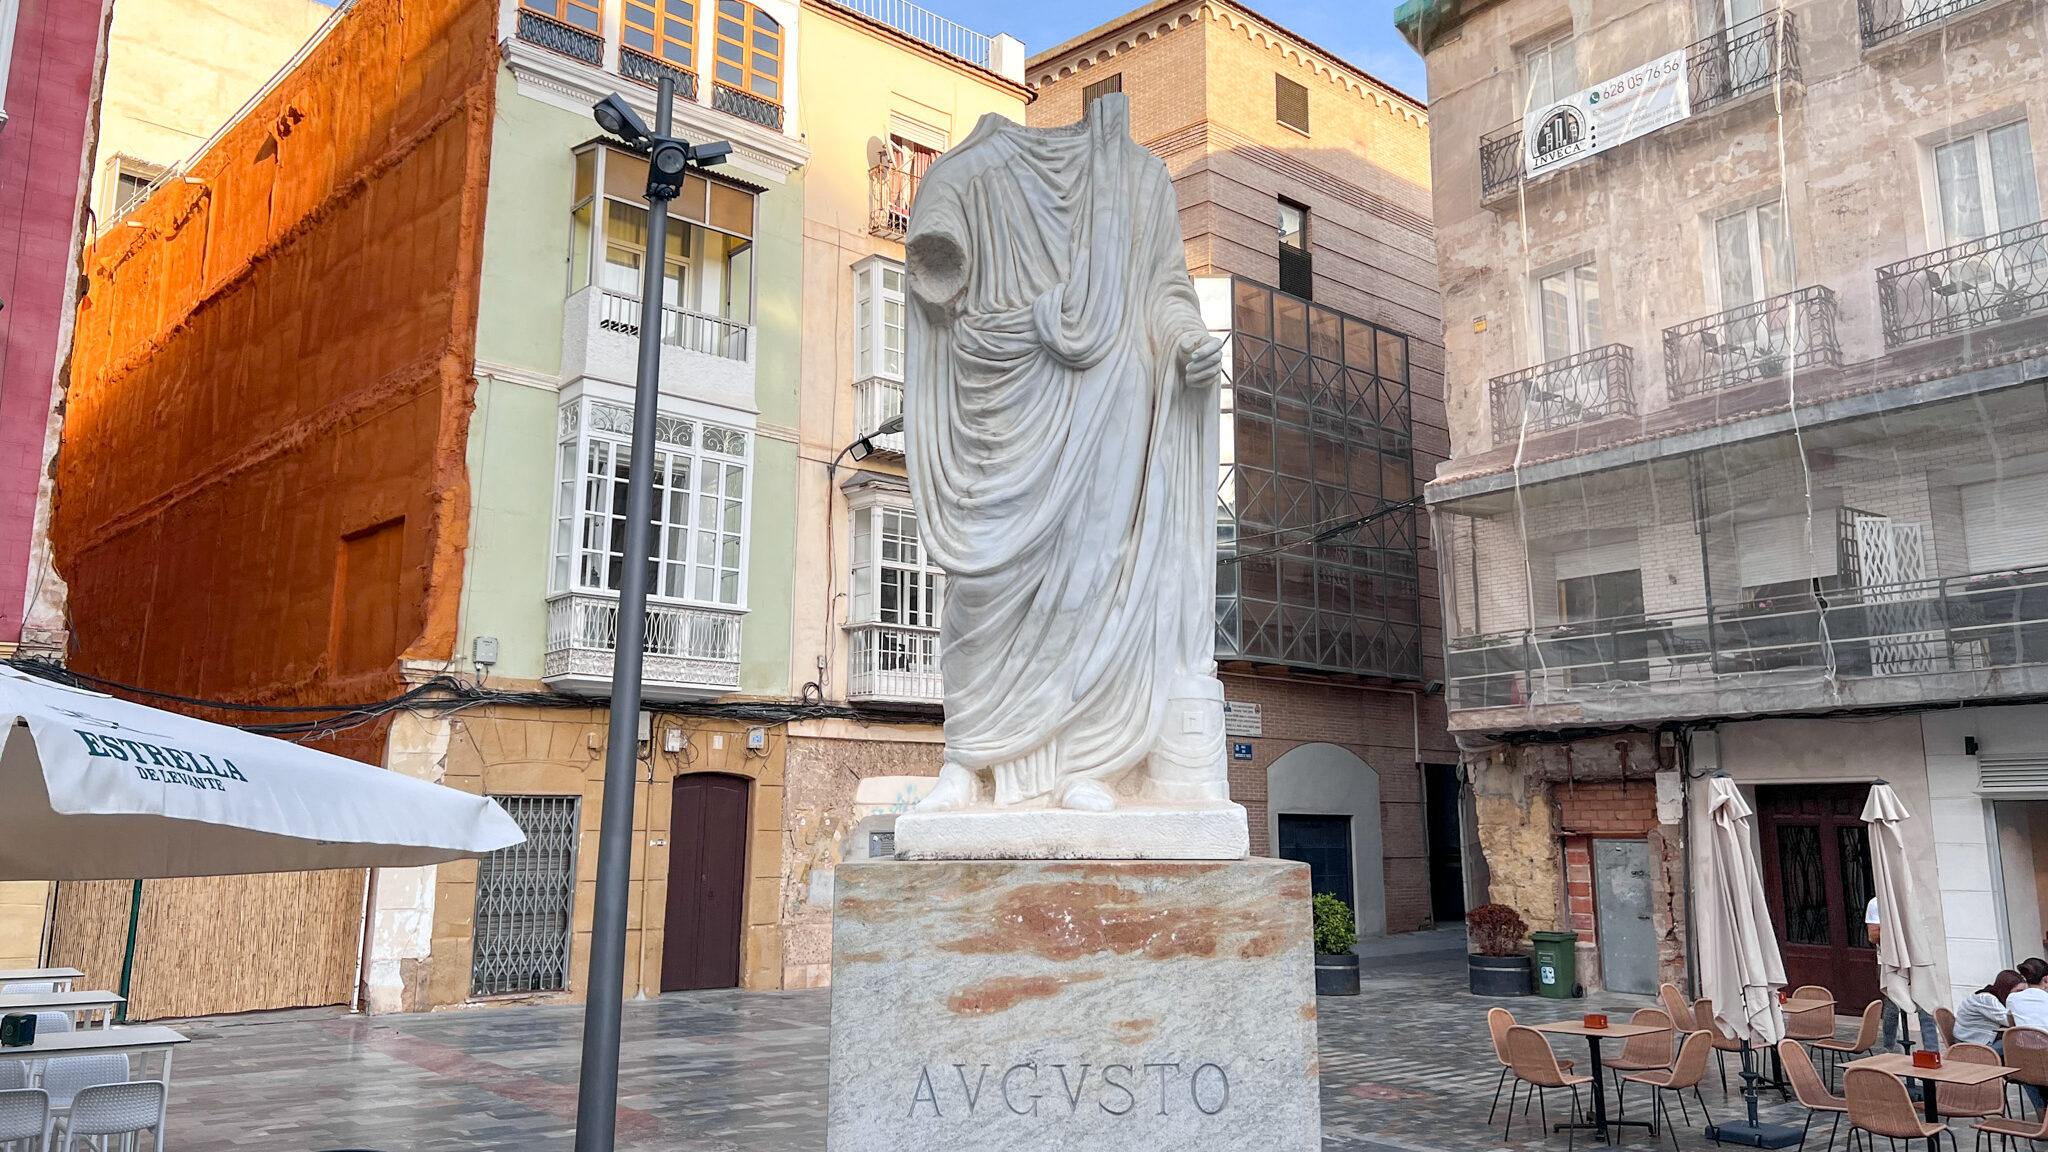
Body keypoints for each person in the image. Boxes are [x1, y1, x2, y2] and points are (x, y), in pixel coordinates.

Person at [1867, 896, 1940, 1051]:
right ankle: (1890, 1048)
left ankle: (1932, 1051)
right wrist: (1897, 930)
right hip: (1889, 961)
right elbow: (1873, 936)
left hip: (1918, 958)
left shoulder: (1911, 899)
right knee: (1893, 1002)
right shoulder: (1877, 903)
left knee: (1925, 1001)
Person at [1955, 970, 2023, 1047]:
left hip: (1973, 1038)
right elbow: (2011, 1021)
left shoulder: (1994, 995)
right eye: (2019, 991)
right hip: (1971, 1044)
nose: (2022, 994)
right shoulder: (1986, 999)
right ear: (2006, 989)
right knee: (2019, 1045)